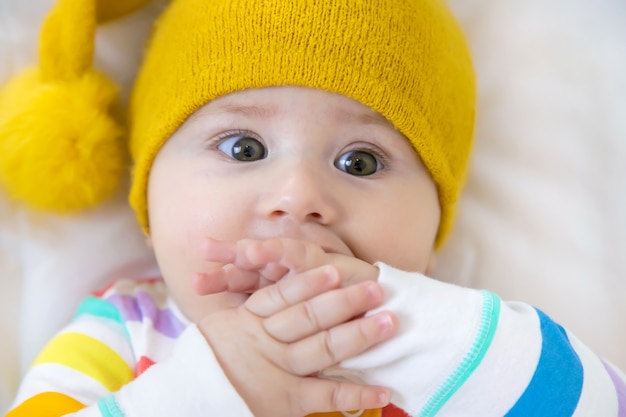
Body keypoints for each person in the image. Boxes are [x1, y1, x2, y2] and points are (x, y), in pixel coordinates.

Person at [5, 0, 625, 416]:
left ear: (435, 229)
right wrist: (216, 385)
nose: (298, 197)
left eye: (361, 163)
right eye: (244, 147)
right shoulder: (126, 330)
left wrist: (424, 332)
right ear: (148, 194)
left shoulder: (446, 345)